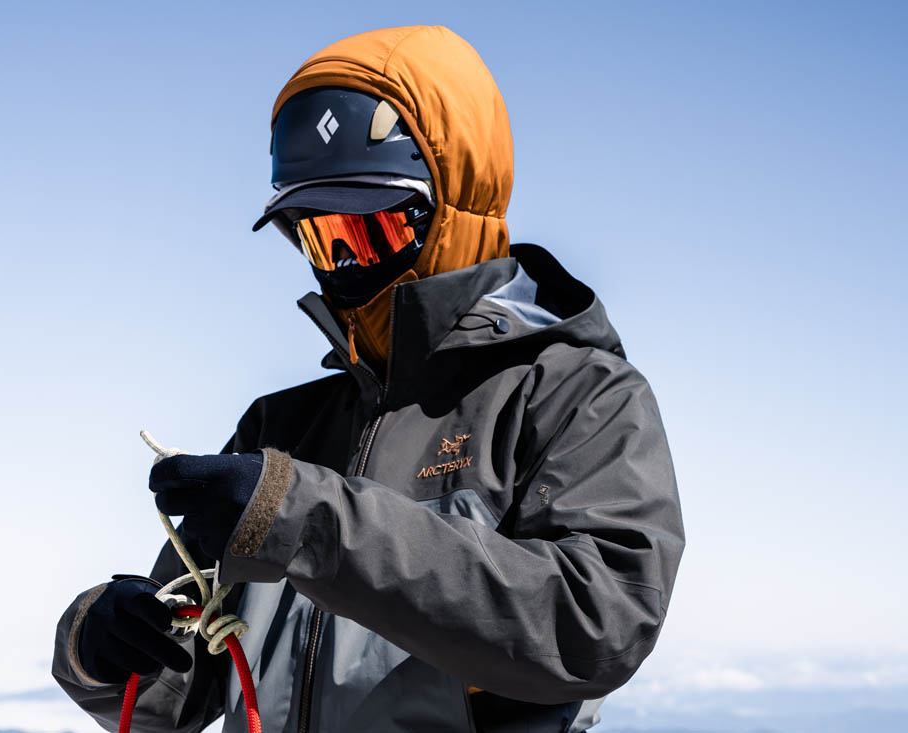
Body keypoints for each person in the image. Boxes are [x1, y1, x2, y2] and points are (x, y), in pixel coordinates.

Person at [52, 25, 685, 733]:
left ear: (455, 207)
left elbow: (596, 625)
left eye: (371, 230)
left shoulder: (579, 396)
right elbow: (174, 696)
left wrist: (306, 519)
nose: (343, 265)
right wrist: (100, 642)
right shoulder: (280, 428)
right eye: (321, 236)